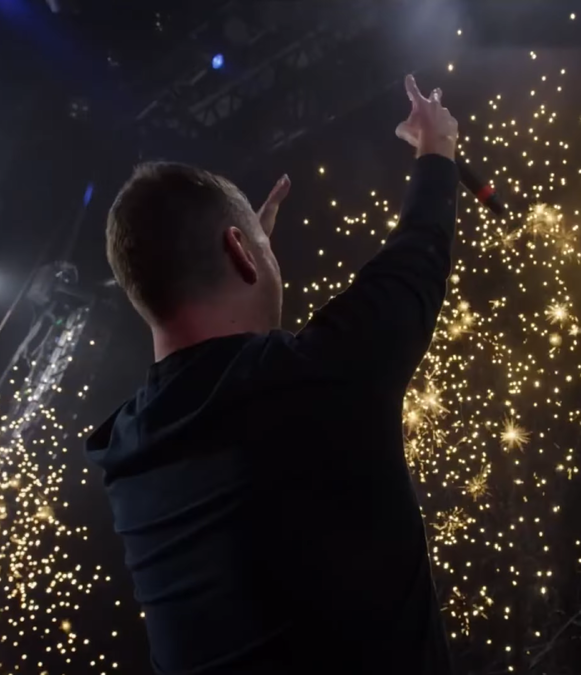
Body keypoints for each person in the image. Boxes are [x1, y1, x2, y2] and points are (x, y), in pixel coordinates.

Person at [86, 74, 459, 674]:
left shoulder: (127, 454)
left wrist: (243, 266)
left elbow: (215, 376)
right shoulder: (317, 379)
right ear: (239, 251)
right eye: (257, 247)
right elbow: (418, 255)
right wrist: (436, 149)